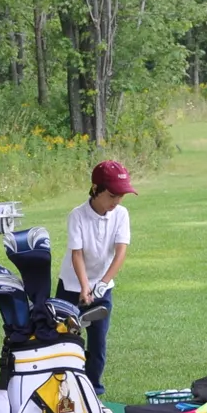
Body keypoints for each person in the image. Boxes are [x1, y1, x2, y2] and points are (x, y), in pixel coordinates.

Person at [57, 160, 134, 394]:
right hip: (71, 287)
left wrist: (101, 283)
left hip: (102, 288)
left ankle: (93, 391)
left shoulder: (121, 214)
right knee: (65, 340)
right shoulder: (77, 216)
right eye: (112, 195)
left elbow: (120, 252)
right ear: (95, 189)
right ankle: (65, 388)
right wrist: (84, 287)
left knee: (98, 343)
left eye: (121, 196)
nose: (117, 201)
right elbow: (77, 254)